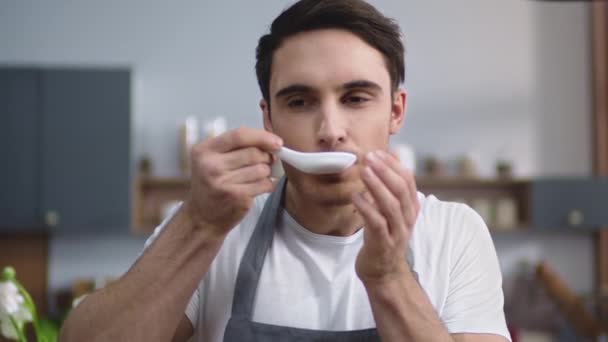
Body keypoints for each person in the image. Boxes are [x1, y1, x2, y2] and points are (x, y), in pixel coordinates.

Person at [59, 0, 511, 341]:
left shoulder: (455, 234)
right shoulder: (211, 228)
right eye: (300, 101)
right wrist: (197, 225)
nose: (330, 131)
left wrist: (389, 276)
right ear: (269, 119)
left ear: (396, 112)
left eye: (355, 98)